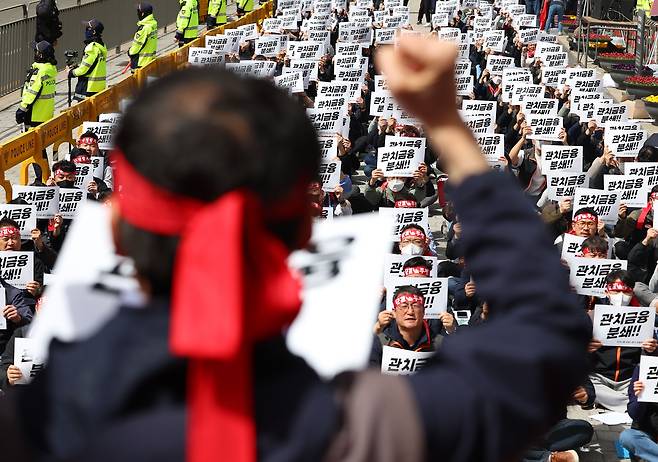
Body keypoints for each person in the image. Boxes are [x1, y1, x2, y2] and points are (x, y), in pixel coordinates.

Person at [4, 38, 590, 462]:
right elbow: (543, 332)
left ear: (117, 230)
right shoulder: (371, 428)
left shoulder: (34, 426)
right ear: (305, 234)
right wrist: (448, 127)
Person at [588, 270, 656, 412]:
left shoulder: (644, 318)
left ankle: (610, 402)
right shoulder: (591, 317)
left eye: (625, 291)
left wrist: (652, 349)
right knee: (583, 386)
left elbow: (651, 360)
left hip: (629, 379)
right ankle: (623, 403)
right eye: (615, 290)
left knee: (643, 388)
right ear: (607, 291)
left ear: (632, 292)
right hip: (599, 378)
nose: (621, 296)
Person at [370, 286, 454, 366]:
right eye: (404, 306)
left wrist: (452, 331)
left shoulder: (440, 345)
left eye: (416, 306)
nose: (410, 312)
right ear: (394, 312)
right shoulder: (379, 344)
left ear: (424, 312)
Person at [619, 365, 658, 459]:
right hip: (648, 434)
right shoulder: (645, 367)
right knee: (627, 437)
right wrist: (639, 397)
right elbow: (634, 414)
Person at [15, 41, 57, 129]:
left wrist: (21, 111)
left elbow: (32, 93)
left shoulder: (40, 72)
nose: (35, 53)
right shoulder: (50, 69)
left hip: (34, 116)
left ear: (41, 55)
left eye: (36, 51)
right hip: (46, 114)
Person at [67, 19, 107, 101]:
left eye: (88, 28)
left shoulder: (91, 48)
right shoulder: (102, 46)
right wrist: (78, 66)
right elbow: (92, 66)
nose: (86, 30)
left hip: (88, 88)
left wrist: (71, 72)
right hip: (99, 86)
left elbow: (83, 70)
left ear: (94, 32)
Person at [129, 3, 158, 71]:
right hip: (150, 60)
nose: (137, 13)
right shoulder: (153, 24)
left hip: (140, 63)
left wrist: (130, 52)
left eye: (138, 11)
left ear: (142, 14)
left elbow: (137, 45)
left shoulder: (144, 28)